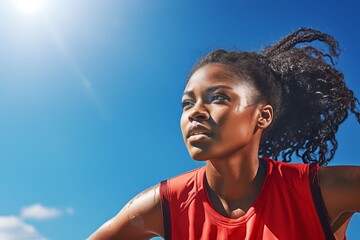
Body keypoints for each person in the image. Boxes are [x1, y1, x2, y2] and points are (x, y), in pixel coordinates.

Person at [88, 28, 360, 240]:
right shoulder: (165, 204)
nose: (195, 112)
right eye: (187, 103)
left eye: (217, 98)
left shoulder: (320, 191)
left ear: (263, 116)